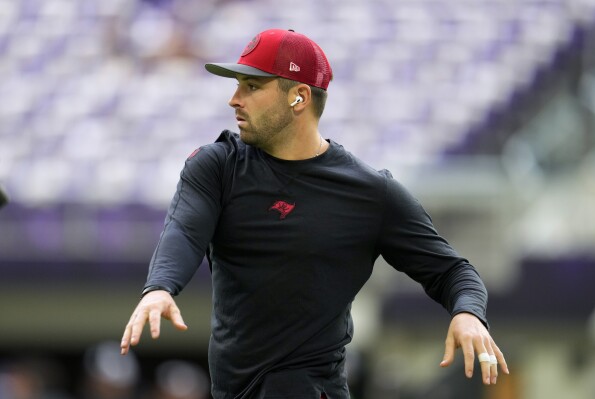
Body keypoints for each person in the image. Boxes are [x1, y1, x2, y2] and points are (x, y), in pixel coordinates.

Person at [120, 28, 509, 398]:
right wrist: (160, 286)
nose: (234, 98)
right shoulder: (218, 166)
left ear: (299, 98)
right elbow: (185, 230)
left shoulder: (369, 192)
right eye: (237, 84)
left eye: (252, 86)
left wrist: (468, 314)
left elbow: (453, 271)